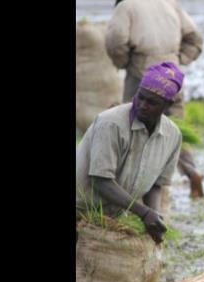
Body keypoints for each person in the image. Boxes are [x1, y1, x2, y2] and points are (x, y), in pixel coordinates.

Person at [105, 0, 204, 197]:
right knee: (176, 130)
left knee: (135, 131)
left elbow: (115, 42)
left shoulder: (126, 7)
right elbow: (194, 37)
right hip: (172, 76)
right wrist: (179, 61)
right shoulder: (170, 3)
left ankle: (140, 188)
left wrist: (124, 63)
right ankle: (192, 171)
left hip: (142, 76)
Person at [76, 62, 186, 244]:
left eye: (152, 102)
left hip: (112, 215)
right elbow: (101, 180)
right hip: (80, 209)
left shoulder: (172, 136)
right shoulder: (111, 123)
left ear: (168, 105)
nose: (142, 105)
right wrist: (144, 213)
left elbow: (156, 185)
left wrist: (154, 218)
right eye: (140, 97)